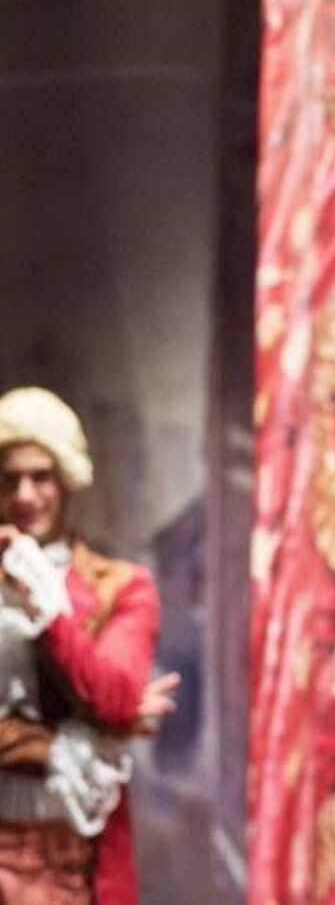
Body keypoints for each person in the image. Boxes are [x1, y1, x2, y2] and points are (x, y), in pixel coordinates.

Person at [0, 387, 177, 904]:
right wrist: (62, 746)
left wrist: (47, 609)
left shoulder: (120, 586)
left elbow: (113, 698)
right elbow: (114, 714)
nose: (25, 495)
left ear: (66, 478)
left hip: (73, 855)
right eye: (9, 479)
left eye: (40, 476)